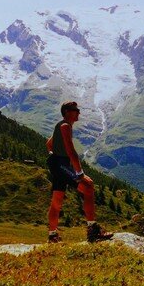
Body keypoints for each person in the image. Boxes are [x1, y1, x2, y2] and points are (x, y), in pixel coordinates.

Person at [46, 101, 113, 243]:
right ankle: (93, 231)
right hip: (62, 165)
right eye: (76, 110)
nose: (78, 112)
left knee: (57, 200)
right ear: (67, 112)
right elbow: (71, 151)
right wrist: (80, 174)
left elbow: (49, 144)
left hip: (57, 165)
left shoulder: (61, 125)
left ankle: (52, 236)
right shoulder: (65, 126)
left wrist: (54, 155)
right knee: (88, 187)